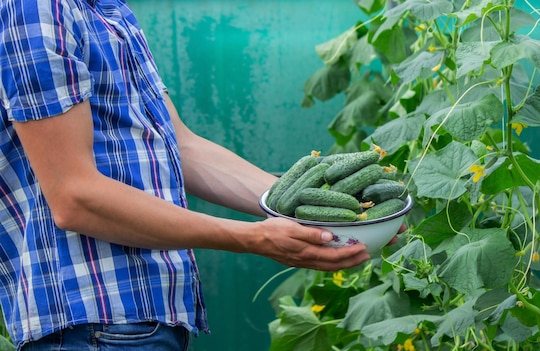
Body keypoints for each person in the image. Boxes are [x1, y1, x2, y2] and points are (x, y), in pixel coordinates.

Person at [0, 0, 399, 350]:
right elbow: (73, 196)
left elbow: (184, 149)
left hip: (145, 318)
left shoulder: (108, 9)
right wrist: (253, 237)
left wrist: (313, 206)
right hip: (90, 324)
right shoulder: (36, 7)